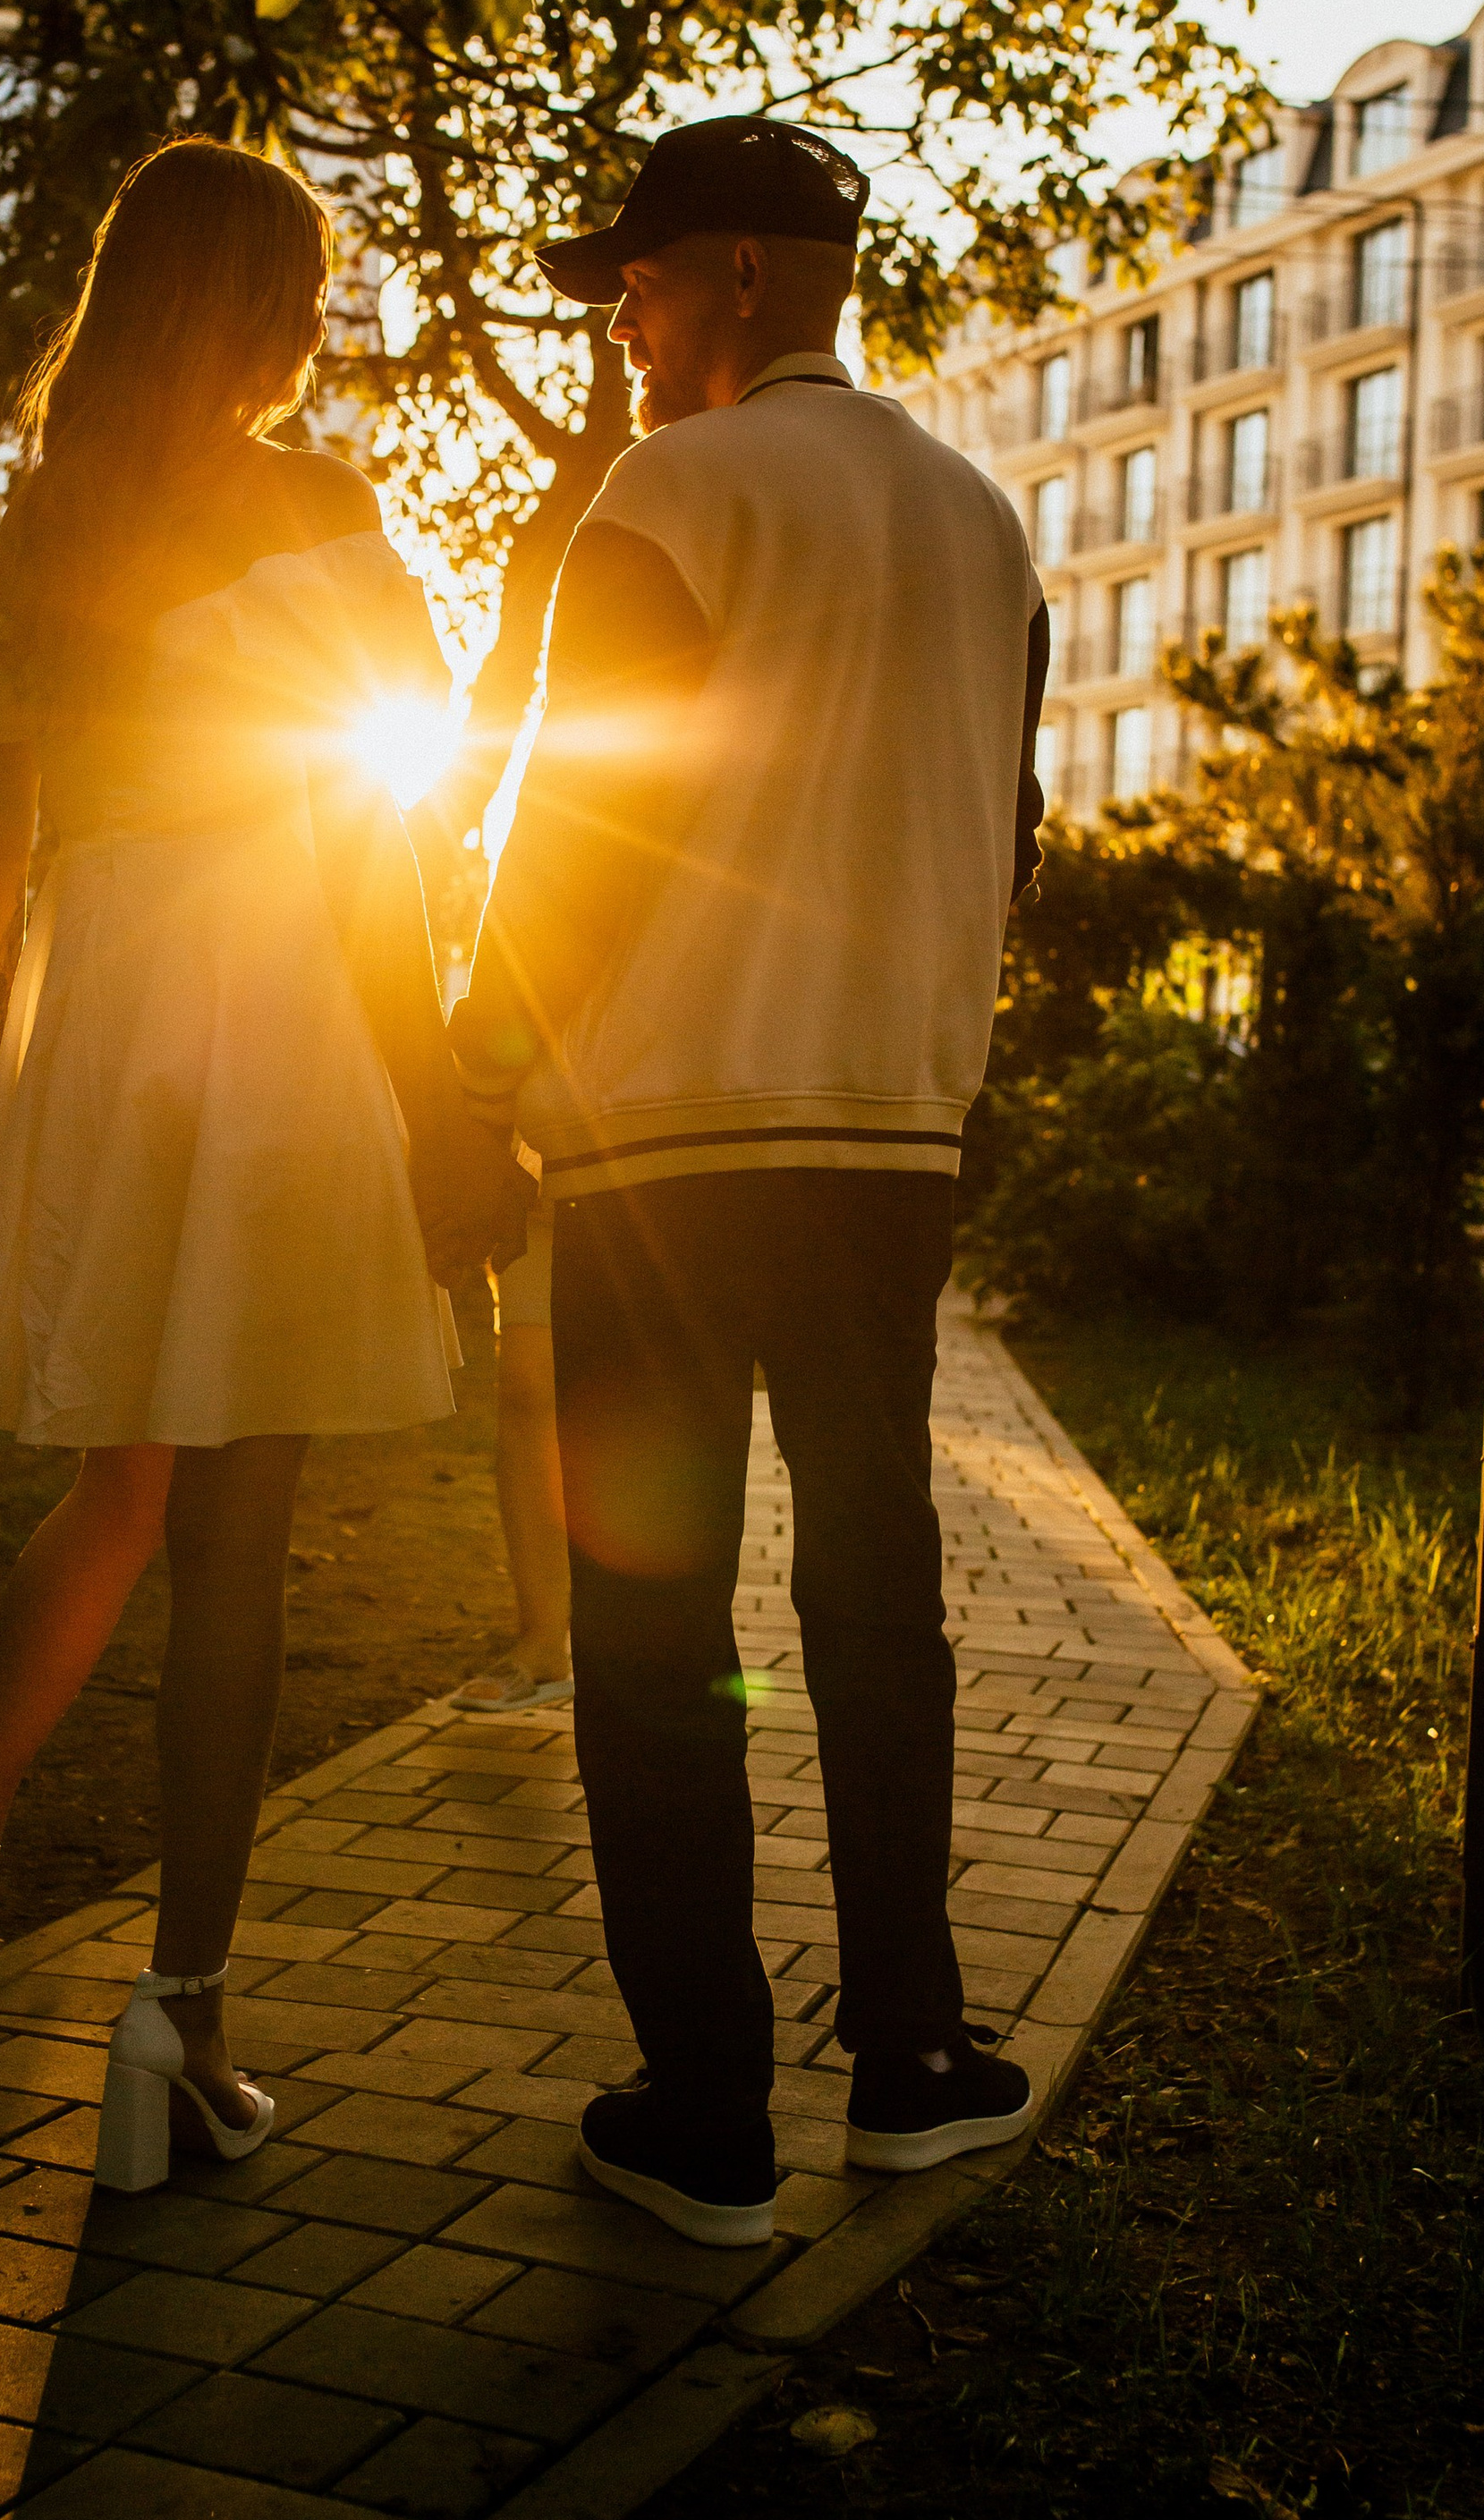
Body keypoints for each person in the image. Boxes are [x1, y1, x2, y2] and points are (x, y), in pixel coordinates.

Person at [0, 139, 503, 2193]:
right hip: (269, 998)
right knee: (238, 1529)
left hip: (98, 1029)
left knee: (117, 1476)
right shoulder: (316, 513)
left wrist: (88, 1047)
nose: (314, 327)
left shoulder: (34, 541)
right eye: (300, 290)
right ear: (249, 306)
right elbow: (377, 847)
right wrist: (432, 1098)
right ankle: (178, 2020)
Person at [449, 116, 1052, 2248]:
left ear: (728, 273)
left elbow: (584, 820)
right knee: (871, 1592)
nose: (612, 325)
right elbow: (1015, 836)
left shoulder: (671, 488)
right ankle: (910, 2052)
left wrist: (476, 1069)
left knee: (653, 1614)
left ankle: (705, 2106)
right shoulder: (983, 520)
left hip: (663, 1146)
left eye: (628, 282)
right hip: (885, 1146)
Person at [451, 1195, 573, 1714]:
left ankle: (657, 1626)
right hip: (547, 1164)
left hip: (676, 1165)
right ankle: (544, 1640)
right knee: (525, 1389)